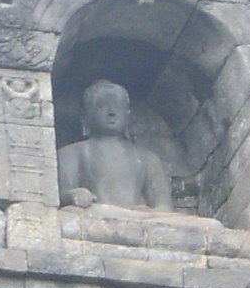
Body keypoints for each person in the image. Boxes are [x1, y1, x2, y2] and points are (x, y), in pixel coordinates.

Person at [57, 79, 174, 212]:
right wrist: (74, 195)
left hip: (135, 217)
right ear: (85, 116)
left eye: (118, 107)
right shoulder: (71, 153)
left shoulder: (148, 158)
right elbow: (59, 198)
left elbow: (164, 207)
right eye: (101, 106)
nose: (111, 112)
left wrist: (151, 212)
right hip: (94, 213)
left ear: (128, 114)